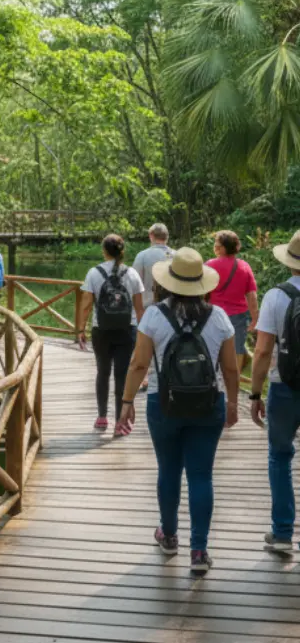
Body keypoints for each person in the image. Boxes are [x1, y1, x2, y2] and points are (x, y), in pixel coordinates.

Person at [118, 247, 239, 576]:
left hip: (163, 404)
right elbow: (230, 368)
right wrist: (232, 402)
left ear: (169, 283)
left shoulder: (154, 316)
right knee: (201, 475)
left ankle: (168, 535)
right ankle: (199, 551)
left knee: (168, 471)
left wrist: (127, 402)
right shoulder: (219, 318)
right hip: (208, 404)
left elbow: (139, 363)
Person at [249, 230, 300, 554]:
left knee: (280, 457)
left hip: (284, 387)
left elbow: (263, 351)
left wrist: (254, 394)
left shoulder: (276, 296)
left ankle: (282, 534)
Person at [76, 234, 145, 434]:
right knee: (122, 375)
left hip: (101, 330)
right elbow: (139, 308)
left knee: (103, 372)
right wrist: (142, 333)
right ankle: (119, 422)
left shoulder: (93, 273)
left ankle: (101, 417)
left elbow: (87, 304)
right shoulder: (132, 274)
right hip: (128, 330)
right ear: (122, 250)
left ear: (104, 251)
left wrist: (81, 329)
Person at [206, 230, 259, 376]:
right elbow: (252, 295)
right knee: (237, 350)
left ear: (222, 247)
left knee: (213, 348)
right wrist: (255, 318)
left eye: (217, 243)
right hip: (238, 317)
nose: (214, 246)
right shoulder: (244, 267)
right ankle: (233, 391)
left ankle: (214, 381)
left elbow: (202, 291)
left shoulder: (210, 265)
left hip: (213, 315)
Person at [132, 222, 173, 310]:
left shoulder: (142, 256)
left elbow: (134, 284)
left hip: (147, 307)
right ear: (167, 237)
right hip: (172, 307)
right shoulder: (177, 256)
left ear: (151, 236)